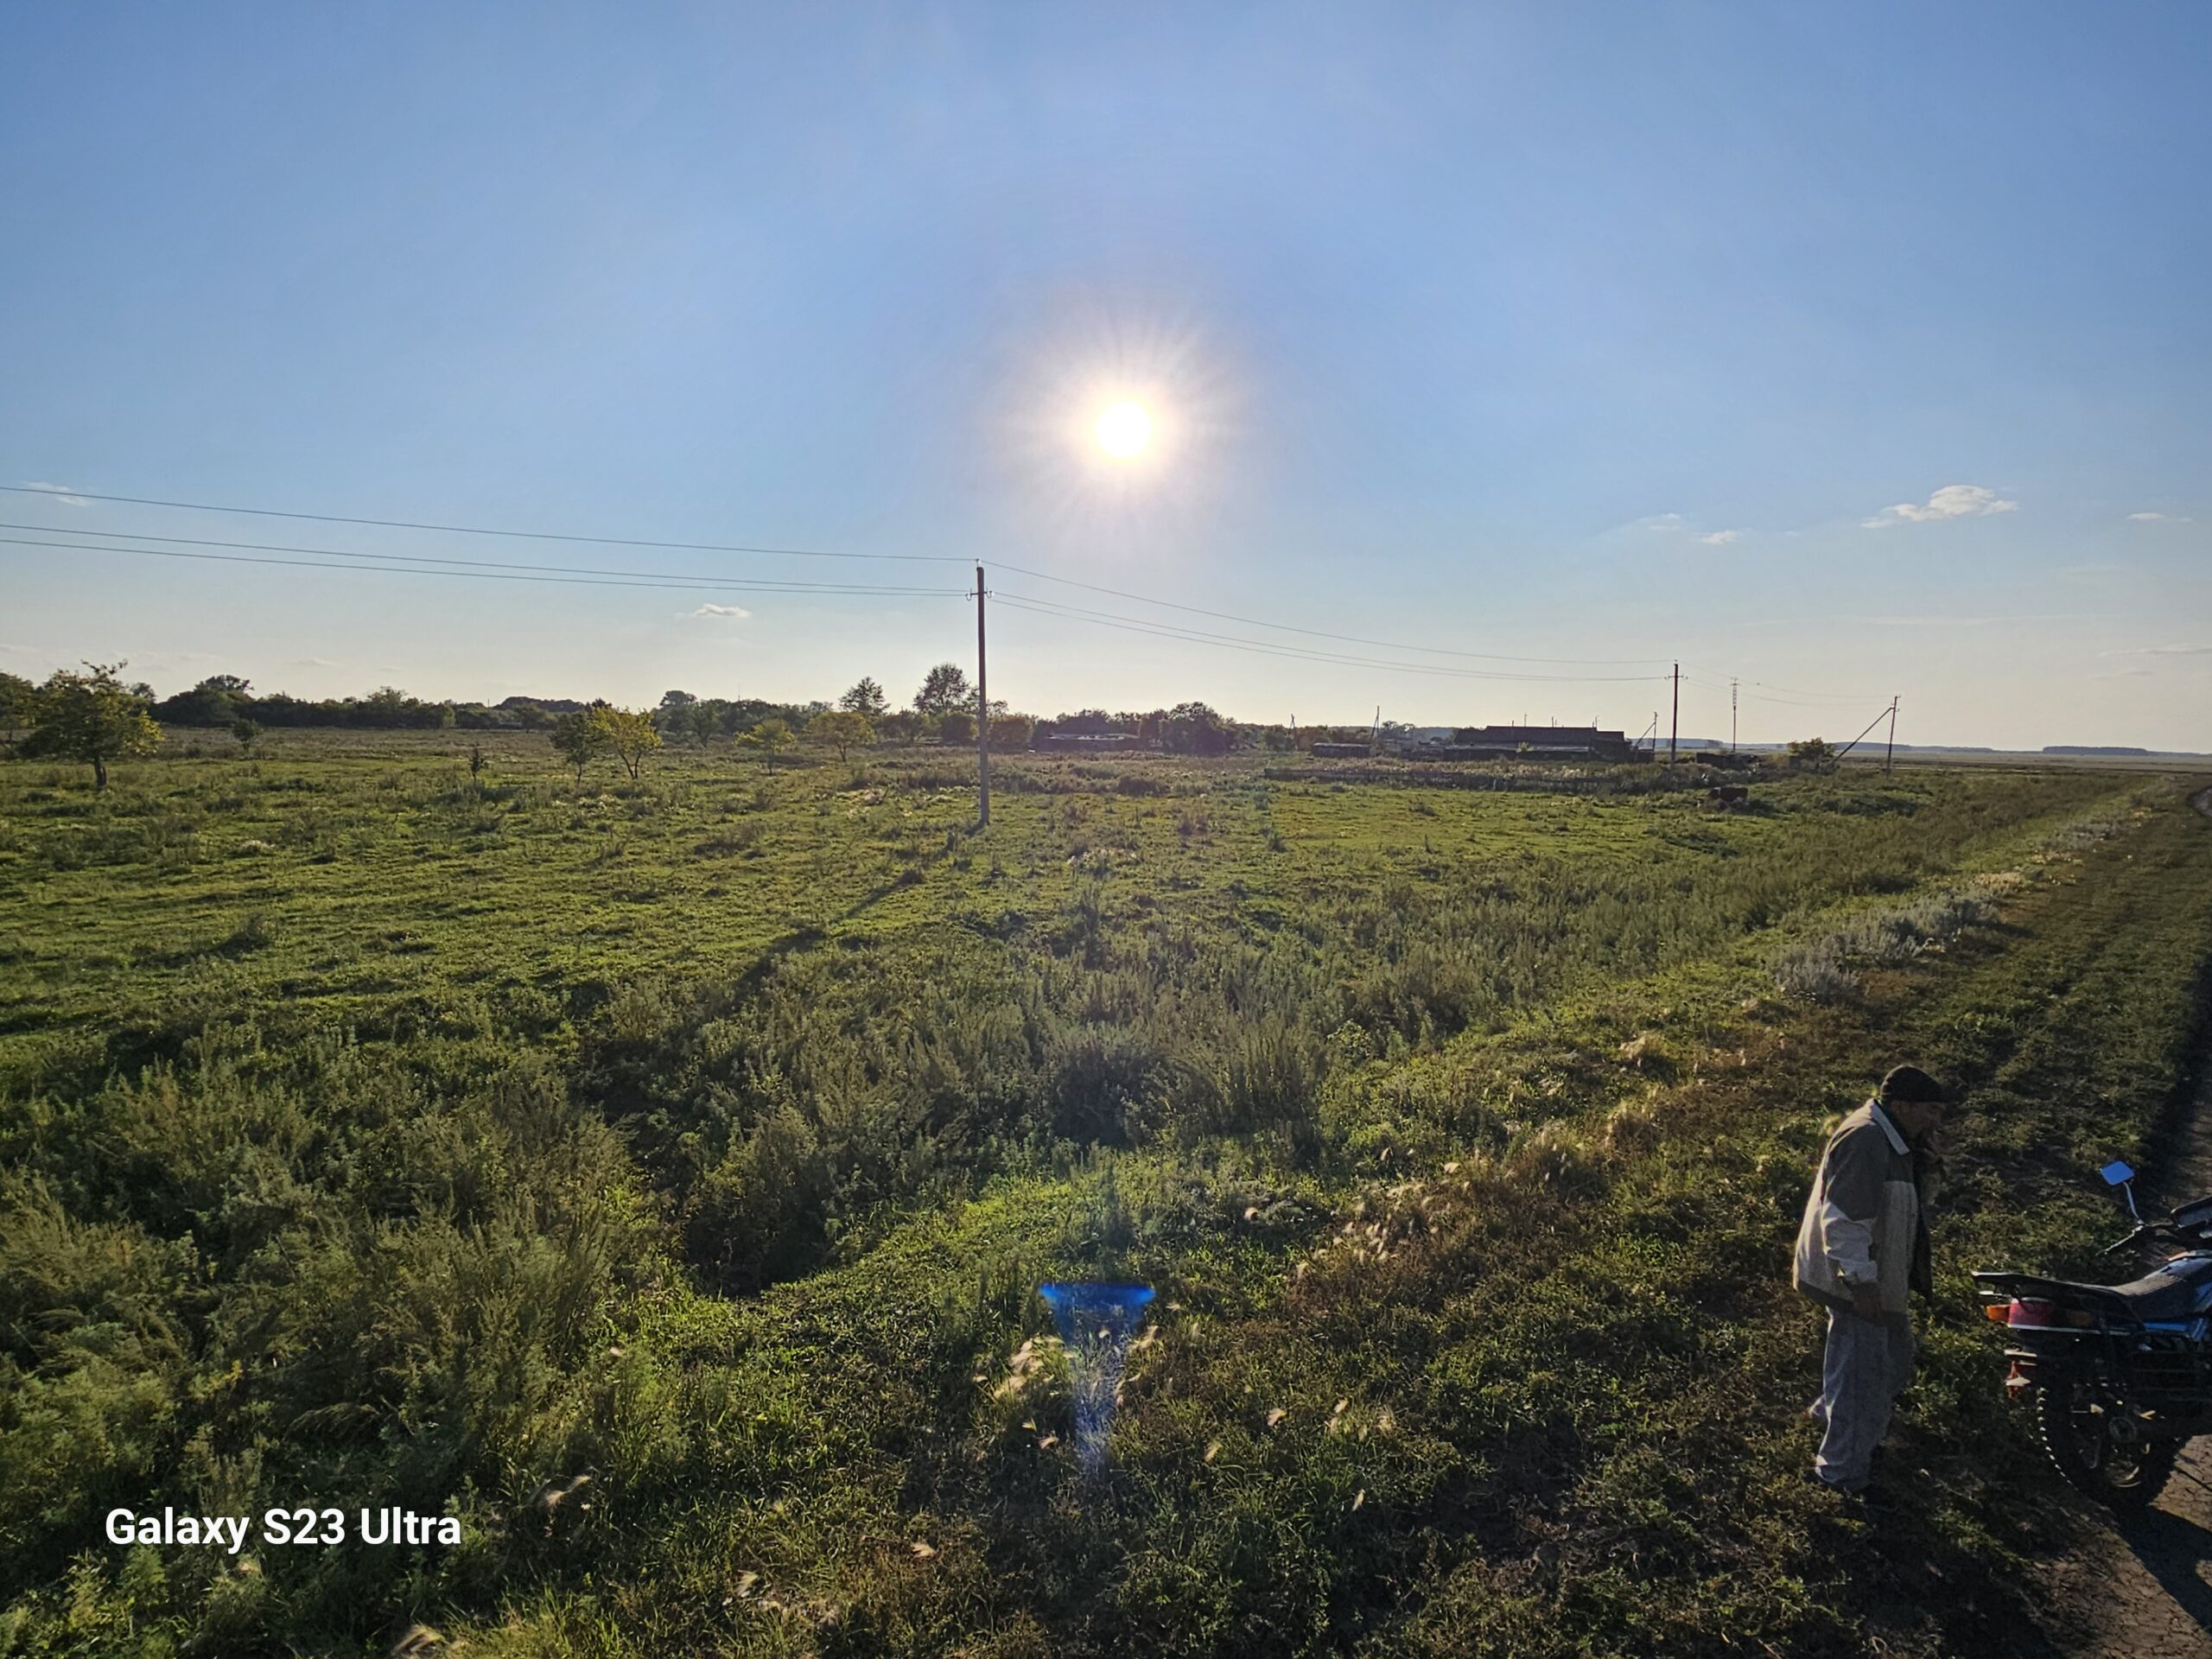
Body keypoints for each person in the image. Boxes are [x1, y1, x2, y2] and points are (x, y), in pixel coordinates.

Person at [1792, 1064, 1949, 1497]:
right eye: (1931, 1110)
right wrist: (1861, 1282)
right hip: (1861, 1280)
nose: (1936, 1121)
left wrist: (1929, 1167)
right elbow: (1844, 1219)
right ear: (1902, 1106)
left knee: (1890, 1359)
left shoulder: (1897, 1141)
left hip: (1876, 1275)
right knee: (1864, 1376)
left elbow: (1913, 1205)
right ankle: (1841, 1472)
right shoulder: (1866, 1139)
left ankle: (1831, 1414)